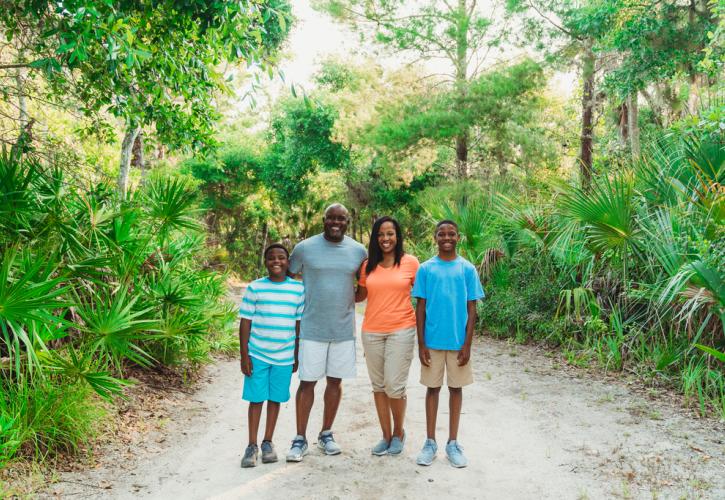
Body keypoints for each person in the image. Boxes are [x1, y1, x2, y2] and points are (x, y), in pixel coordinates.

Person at [285, 203, 367, 462]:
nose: (336, 222)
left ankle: (326, 434)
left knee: (335, 381)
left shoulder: (358, 251)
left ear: (347, 221)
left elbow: (362, 288)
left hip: (342, 329)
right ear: (323, 220)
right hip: (311, 327)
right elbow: (288, 279)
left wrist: (343, 299)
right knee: (307, 382)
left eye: (341, 218)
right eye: (331, 218)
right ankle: (299, 439)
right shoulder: (304, 248)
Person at [411, 220, 484, 468]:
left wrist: (467, 345)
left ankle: (453, 443)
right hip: (432, 342)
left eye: (451, 233)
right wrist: (421, 344)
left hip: (457, 342)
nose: (446, 237)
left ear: (458, 237)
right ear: (435, 238)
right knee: (432, 389)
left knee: (456, 389)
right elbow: (420, 308)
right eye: (441, 233)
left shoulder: (467, 269)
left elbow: (472, 310)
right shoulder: (426, 269)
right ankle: (430, 442)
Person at [355, 216, 419, 456]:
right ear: (375, 238)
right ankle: (385, 435)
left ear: (397, 236)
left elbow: (423, 296)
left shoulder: (411, 263)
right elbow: (359, 295)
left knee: (395, 386)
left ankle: (399, 432)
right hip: (371, 332)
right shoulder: (367, 266)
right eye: (381, 234)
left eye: (390, 234)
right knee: (379, 386)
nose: (385, 239)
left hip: (401, 330)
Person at [238, 243, 304, 468]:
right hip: (257, 354)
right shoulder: (255, 288)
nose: (276, 261)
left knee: (275, 399)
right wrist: (244, 355)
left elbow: (298, 325)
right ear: (265, 262)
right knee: (256, 399)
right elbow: (245, 322)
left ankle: (268, 442)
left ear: (288, 262)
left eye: (281, 258)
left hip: (284, 357)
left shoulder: (298, 289)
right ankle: (251, 445)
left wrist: (296, 354)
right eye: (271, 258)